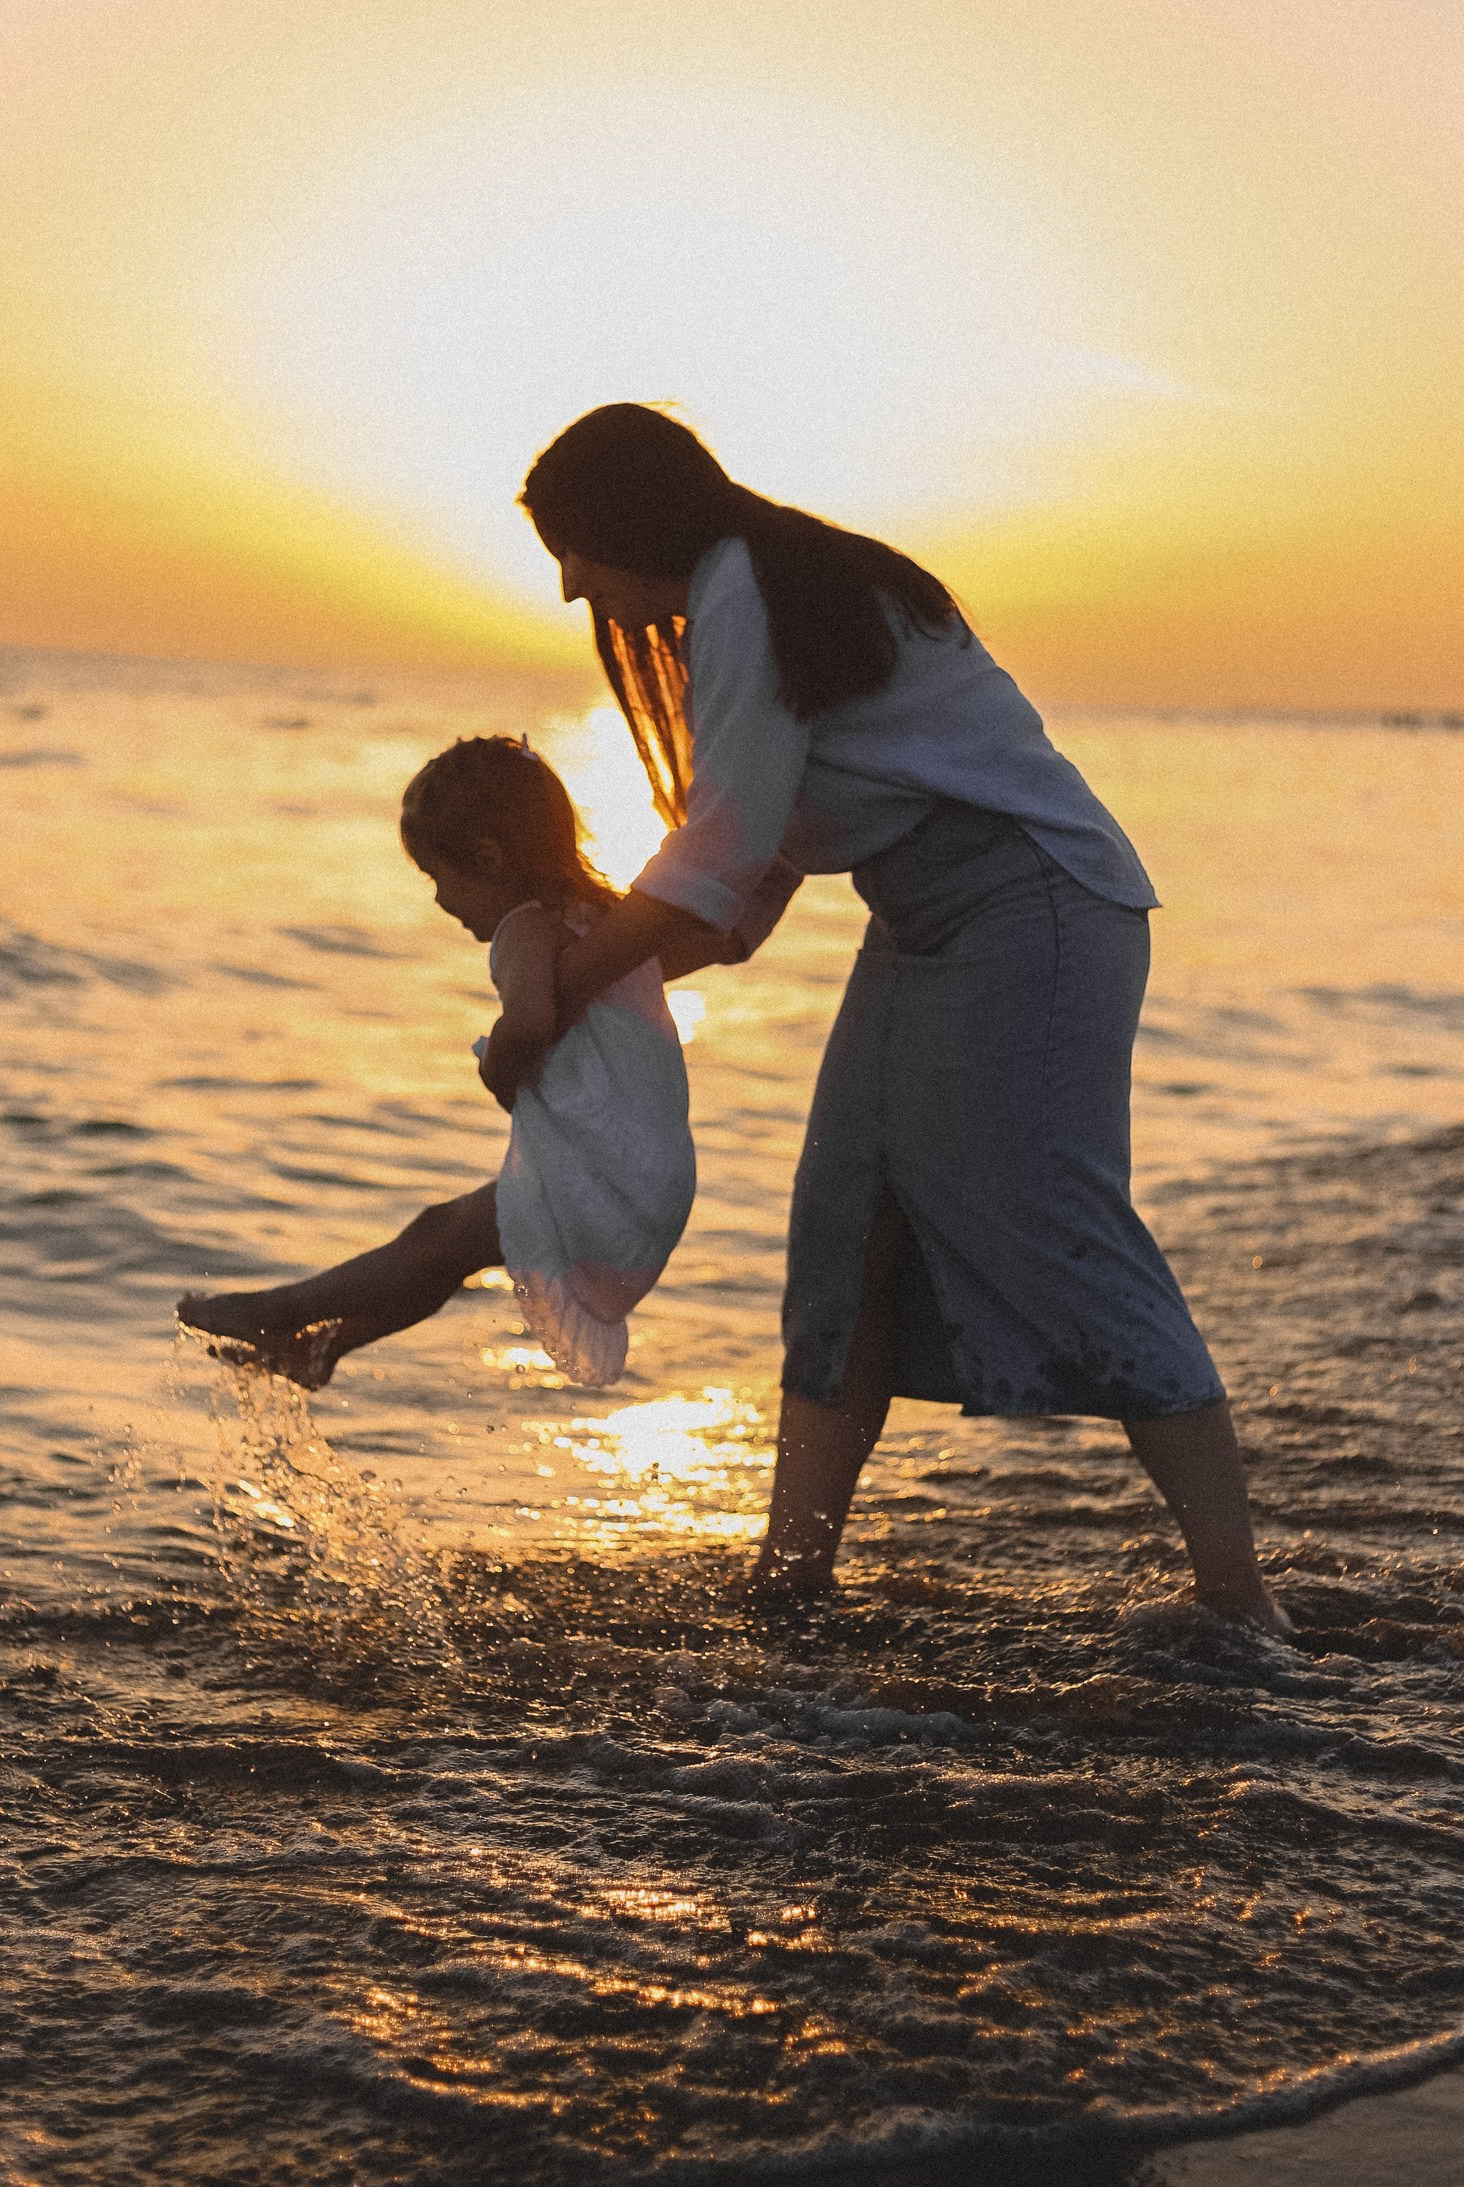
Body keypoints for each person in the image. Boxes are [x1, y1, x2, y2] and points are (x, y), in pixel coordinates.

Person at [497, 403, 1289, 1632]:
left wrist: (561, 990)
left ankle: (1239, 1602)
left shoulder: (749, 587)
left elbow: (719, 850)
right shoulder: (752, 597)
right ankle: (790, 1581)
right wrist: (585, 983)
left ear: (624, 521)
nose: (567, 589)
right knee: (844, 1230)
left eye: (573, 552)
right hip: (928, 916)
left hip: (1031, 903)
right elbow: (744, 883)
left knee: (1052, 1222)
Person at [176, 736, 696, 1390]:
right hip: (649, 1178)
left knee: (438, 1237)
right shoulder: (605, 917)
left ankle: (279, 1310)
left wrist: (498, 1073)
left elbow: (530, 1022)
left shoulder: (524, 931)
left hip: (601, 1179)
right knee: (447, 1250)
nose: (437, 900)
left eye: (437, 878)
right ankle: (327, 1344)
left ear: (489, 858)